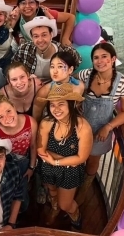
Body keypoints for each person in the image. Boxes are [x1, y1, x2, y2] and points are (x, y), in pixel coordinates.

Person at [75, 43, 124, 205]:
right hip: (79, 127)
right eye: (96, 58)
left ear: (113, 59)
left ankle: (83, 192)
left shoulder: (122, 83)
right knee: (74, 157)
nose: (100, 61)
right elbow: (70, 85)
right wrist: (76, 102)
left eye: (104, 57)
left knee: (92, 161)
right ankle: (71, 185)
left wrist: (108, 127)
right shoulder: (85, 75)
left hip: (101, 132)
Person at [37, 83, 92, 229]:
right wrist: (68, 160)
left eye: (61, 104)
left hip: (69, 172)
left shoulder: (82, 127)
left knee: (65, 204)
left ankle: (75, 215)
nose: (56, 109)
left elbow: (81, 158)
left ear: (71, 104)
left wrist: (55, 161)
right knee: (52, 192)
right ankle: (54, 207)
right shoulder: (47, 123)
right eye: (52, 105)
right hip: (50, 167)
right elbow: (41, 150)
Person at [0, 92, 38, 212]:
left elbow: (33, 146)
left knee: (24, 193)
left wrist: (31, 167)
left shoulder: (30, 122)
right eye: (1, 117)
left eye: (8, 111)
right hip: (8, 167)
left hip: (25, 161)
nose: (7, 117)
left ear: (14, 107)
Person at [12, 16, 81, 82]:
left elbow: (77, 61)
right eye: (36, 36)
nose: (40, 40)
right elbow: (13, 68)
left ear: (51, 35)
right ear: (32, 38)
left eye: (44, 35)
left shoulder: (66, 51)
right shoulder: (24, 49)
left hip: (56, 89)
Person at [11, 0, 75, 46]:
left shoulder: (45, 13)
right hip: (24, 51)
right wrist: (13, 20)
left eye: (31, 2)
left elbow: (70, 17)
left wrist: (65, 38)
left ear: (37, 5)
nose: (27, 6)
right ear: (18, 5)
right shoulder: (14, 16)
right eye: (23, 3)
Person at [33, 51, 85, 122]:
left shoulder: (79, 86)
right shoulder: (45, 90)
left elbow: (78, 109)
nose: (55, 71)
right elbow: (37, 113)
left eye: (60, 66)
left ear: (70, 69)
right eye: (52, 67)